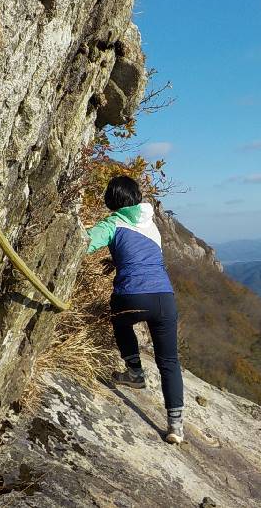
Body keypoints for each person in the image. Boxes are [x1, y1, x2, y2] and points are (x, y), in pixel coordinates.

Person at [86, 175, 184, 444]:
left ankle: (134, 372)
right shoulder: (151, 222)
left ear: (112, 199)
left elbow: (84, 242)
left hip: (131, 298)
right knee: (169, 363)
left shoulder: (112, 222)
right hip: (165, 297)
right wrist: (116, 259)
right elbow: (142, 254)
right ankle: (175, 426)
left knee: (118, 318)